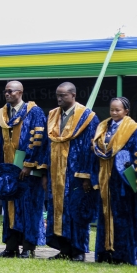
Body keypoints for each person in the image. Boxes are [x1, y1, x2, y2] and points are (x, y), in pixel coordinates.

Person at [91, 97, 137, 265]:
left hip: (125, 181)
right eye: (112, 109)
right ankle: (105, 253)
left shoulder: (134, 130)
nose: (114, 113)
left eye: (118, 110)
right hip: (106, 179)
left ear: (126, 111)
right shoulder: (103, 127)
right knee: (106, 215)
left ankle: (124, 255)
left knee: (124, 218)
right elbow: (96, 152)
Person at [0, 81, 48, 259]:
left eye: (10, 91)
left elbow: (39, 139)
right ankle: (11, 247)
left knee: (29, 209)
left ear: (20, 92)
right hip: (8, 171)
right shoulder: (2, 114)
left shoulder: (34, 112)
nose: (7, 94)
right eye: (5, 91)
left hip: (28, 173)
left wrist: (28, 164)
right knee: (10, 209)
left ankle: (28, 247)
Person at [45, 82, 99, 261]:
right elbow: (48, 145)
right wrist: (45, 172)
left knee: (76, 212)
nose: (59, 98)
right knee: (58, 211)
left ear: (73, 95)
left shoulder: (88, 117)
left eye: (63, 95)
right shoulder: (53, 115)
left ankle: (78, 251)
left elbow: (90, 149)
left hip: (76, 174)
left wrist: (87, 176)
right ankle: (64, 249)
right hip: (56, 174)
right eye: (58, 95)